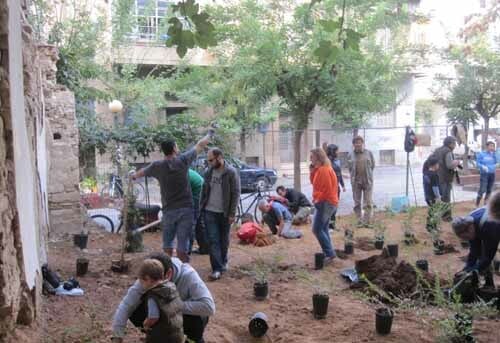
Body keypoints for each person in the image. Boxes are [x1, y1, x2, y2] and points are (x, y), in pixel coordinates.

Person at [130, 135, 211, 262]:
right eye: (176, 145)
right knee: (182, 246)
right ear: (174, 148)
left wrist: (133, 176)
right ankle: (183, 272)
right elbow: (200, 145)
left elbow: (141, 173)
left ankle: (168, 272)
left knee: (167, 245)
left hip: (169, 211)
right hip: (186, 210)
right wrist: (210, 133)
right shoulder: (183, 160)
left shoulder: (157, 166)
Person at [112, 252, 215, 343]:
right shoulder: (149, 277)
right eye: (146, 279)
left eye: (154, 280)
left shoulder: (188, 275)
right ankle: (159, 338)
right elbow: (126, 305)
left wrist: (172, 306)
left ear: (168, 274)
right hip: (165, 321)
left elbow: (209, 307)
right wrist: (117, 336)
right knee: (135, 310)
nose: (148, 283)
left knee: (197, 321)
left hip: (189, 319)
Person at [200, 148, 241, 281]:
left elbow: (236, 193)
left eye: (211, 160)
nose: (209, 162)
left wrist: (232, 213)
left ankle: (223, 261)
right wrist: (202, 207)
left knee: (224, 241)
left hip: (224, 213)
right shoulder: (208, 172)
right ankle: (216, 269)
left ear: (219, 157)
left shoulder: (230, 172)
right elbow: (204, 191)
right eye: (208, 160)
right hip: (209, 211)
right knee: (213, 240)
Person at [451, 191, 500, 288]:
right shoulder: (469, 221)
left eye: (466, 237)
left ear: (469, 229)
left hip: (496, 228)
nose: (467, 240)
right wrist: (466, 269)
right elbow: (474, 251)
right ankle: (488, 284)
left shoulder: (488, 226)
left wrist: (473, 271)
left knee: (487, 259)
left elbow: (488, 256)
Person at [136, 259, 184, 343]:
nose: (141, 285)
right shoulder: (171, 287)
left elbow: (153, 316)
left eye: (141, 281)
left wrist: (146, 324)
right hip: (177, 334)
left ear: (147, 278)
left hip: (162, 337)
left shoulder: (153, 295)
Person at [309, 147, 339, 263]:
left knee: (316, 229)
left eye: (312, 156)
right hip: (326, 202)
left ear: (318, 157)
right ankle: (329, 252)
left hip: (325, 202)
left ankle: (329, 253)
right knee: (323, 228)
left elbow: (326, 190)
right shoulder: (320, 169)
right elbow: (314, 183)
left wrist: (317, 200)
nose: (310, 159)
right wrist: (312, 171)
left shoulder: (324, 170)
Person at [347, 136, 375, 227]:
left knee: (368, 202)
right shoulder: (350, 155)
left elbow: (372, 166)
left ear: (363, 143)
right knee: (357, 203)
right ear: (353, 145)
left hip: (367, 181)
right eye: (356, 143)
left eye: (360, 142)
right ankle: (359, 221)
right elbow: (350, 168)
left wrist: (368, 176)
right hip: (356, 182)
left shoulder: (369, 153)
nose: (358, 144)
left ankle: (366, 222)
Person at [431, 136, 460, 221]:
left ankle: (436, 216)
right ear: (450, 144)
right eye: (454, 143)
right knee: (446, 198)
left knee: (439, 197)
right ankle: (446, 217)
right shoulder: (448, 151)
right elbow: (449, 165)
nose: (455, 145)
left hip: (437, 176)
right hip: (445, 178)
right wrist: (456, 162)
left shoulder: (437, 150)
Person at [188, 168, 208, 255]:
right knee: (199, 222)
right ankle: (205, 248)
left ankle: (187, 250)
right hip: (200, 191)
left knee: (191, 222)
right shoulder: (182, 170)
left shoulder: (182, 174)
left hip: (198, 193)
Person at [326, 144, 346, 229]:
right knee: (331, 207)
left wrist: (343, 185)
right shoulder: (328, 163)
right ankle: (329, 225)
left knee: (334, 207)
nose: (338, 152)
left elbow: (339, 174)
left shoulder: (335, 161)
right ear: (333, 151)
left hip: (336, 188)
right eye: (337, 150)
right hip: (331, 189)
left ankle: (332, 225)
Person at [422, 156, 441, 232]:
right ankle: (432, 227)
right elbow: (435, 187)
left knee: (431, 212)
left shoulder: (425, 173)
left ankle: (430, 226)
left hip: (427, 196)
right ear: (435, 165)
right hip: (433, 197)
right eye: (438, 164)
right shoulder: (434, 175)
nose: (438, 166)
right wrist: (438, 197)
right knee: (434, 212)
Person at [475, 141, 497, 207]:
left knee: (489, 190)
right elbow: (477, 163)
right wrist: (482, 166)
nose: (492, 147)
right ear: (487, 146)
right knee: (482, 189)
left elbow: (497, 162)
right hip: (484, 174)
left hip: (492, 173)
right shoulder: (481, 154)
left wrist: (495, 154)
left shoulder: (494, 155)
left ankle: (485, 204)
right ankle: (477, 204)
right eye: (491, 146)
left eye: (493, 146)